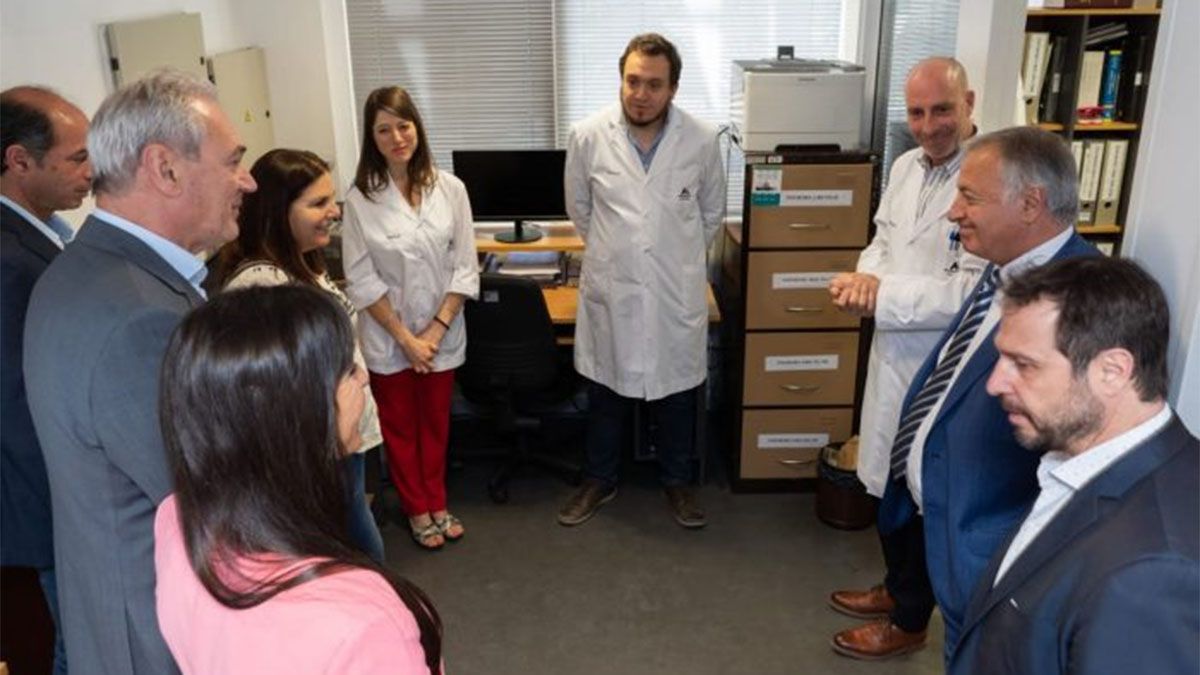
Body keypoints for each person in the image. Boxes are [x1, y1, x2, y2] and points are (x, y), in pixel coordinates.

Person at [23, 70, 256, 674]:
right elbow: (214, 503)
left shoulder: (80, 270)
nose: (247, 180)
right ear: (166, 168)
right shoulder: (140, 318)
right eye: (233, 161)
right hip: (154, 636)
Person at [875, 125, 1099, 659]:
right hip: (952, 529)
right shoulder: (1009, 266)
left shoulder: (1078, 297)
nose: (954, 212)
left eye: (970, 197)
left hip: (989, 550)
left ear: (1030, 204)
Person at [155, 284, 443, 674]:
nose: (363, 379)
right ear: (301, 409)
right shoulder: (363, 623)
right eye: (348, 369)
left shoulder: (174, 519)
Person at [949, 257, 1199, 674]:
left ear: (1112, 371)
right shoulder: (1085, 464)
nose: (995, 384)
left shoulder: (1153, 572)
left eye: (1024, 364)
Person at [825, 58, 986, 659]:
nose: (928, 126)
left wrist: (883, 294)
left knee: (922, 493)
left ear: (967, 102)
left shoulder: (987, 177)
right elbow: (882, 244)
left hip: (943, 363)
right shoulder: (903, 167)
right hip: (893, 349)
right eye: (916, 113)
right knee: (889, 484)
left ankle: (912, 621)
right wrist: (864, 279)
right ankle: (897, 590)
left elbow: (971, 291)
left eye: (941, 110)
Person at [557, 32, 726, 529]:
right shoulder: (588, 135)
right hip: (615, 289)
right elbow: (580, 210)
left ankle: (678, 483)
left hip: (674, 292)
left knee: (676, 395)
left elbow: (711, 213)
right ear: (621, 79)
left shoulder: (700, 138)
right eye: (632, 81)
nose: (640, 93)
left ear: (672, 88)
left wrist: (671, 262)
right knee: (605, 393)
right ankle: (599, 479)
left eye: (653, 84)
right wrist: (623, 257)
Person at [209, 148, 386, 563]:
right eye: (318, 203)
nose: (334, 212)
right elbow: (268, 400)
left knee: (360, 547)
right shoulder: (262, 287)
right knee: (358, 558)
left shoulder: (306, 264)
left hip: (342, 439)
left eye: (332, 200)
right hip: (317, 452)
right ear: (277, 212)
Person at [341, 86, 479, 551]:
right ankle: (417, 509)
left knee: (436, 423)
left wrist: (434, 331)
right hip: (388, 339)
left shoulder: (451, 189)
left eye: (403, 124)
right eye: (384, 129)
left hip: (440, 335)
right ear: (371, 138)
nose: (397, 136)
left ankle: (437, 501)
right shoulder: (360, 200)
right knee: (400, 428)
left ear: (417, 126)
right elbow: (360, 279)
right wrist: (404, 339)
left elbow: (465, 265)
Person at [1, 85, 92, 675]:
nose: (91, 171)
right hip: (46, 506)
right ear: (19, 160)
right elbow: (17, 408)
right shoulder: (10, 264)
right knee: (70, 647)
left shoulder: (45, 234)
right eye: (77, 157)